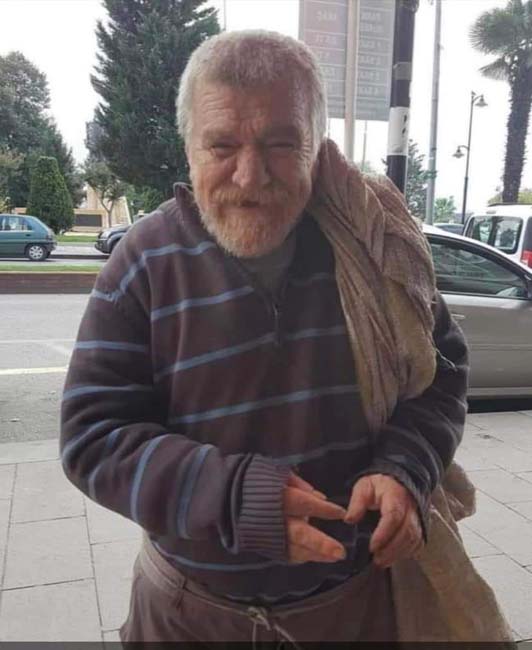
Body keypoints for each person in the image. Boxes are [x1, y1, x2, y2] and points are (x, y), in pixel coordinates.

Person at [60, 30, 469, 644]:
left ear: (317, 148)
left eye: (281, 144)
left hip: (353, 613)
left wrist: (404, 468)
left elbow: (441, 376)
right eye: (222, 145)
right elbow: (92, 435)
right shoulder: (144, 262)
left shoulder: (373, 248)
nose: (250, 178)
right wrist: (231, 496)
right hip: (186, 618)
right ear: (189, 149)